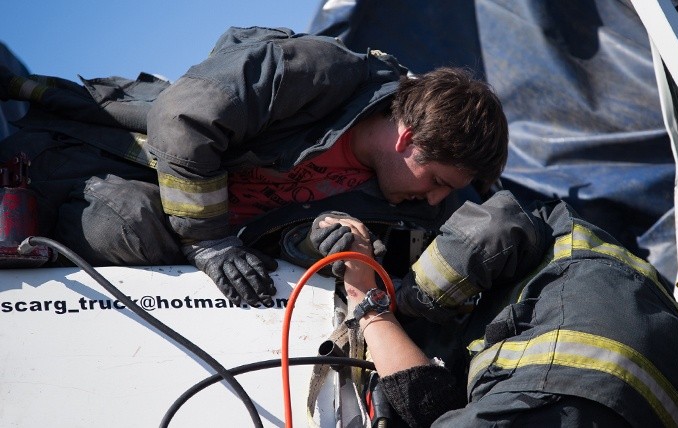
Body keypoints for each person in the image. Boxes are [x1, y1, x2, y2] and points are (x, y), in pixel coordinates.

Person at [0, 26, 508, 306]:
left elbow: (272, 228)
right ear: (408, 138)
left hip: (201, 250)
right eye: (438, 181)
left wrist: (317, 243)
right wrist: (209, 241)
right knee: (129, 223)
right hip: (81, 159)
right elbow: (183, 118)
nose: (439, 199)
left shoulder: (395, 196)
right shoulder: (319, 72)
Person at [310, 190, 678, 427]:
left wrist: (377, 300)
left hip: (568, 387)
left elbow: (429, 401)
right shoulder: (579, 251)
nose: (432, 195)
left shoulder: (551, 230)